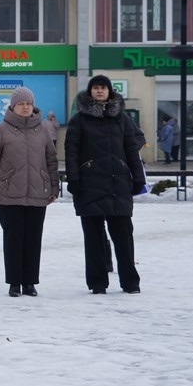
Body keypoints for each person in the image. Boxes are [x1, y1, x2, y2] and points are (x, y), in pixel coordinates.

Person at [65, 74, 145, 295]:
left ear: (110, 91)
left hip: (117, 183)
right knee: (93, 239)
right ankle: (98, 282)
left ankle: (130, 282)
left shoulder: (122, 119)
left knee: (123, 236)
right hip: (89, 184)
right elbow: (71, 152)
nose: (99, 91)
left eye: (103, 88)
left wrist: (138, 178)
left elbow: (131, 150)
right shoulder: (79, 120)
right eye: (96, 88)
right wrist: (74, 179)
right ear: (90, 92)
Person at [0, 87, 58, 298]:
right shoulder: (1, 130)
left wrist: (53, 186)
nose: (25, 108)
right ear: (13, 106)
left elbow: (51, 161)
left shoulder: (42, 130)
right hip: (8, 194)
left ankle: (30, 282)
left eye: (28, 104)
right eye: (20, 104)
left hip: (37, 194)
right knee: (13, 239)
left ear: (33, 106)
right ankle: (14, 282)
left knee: (33, 240)